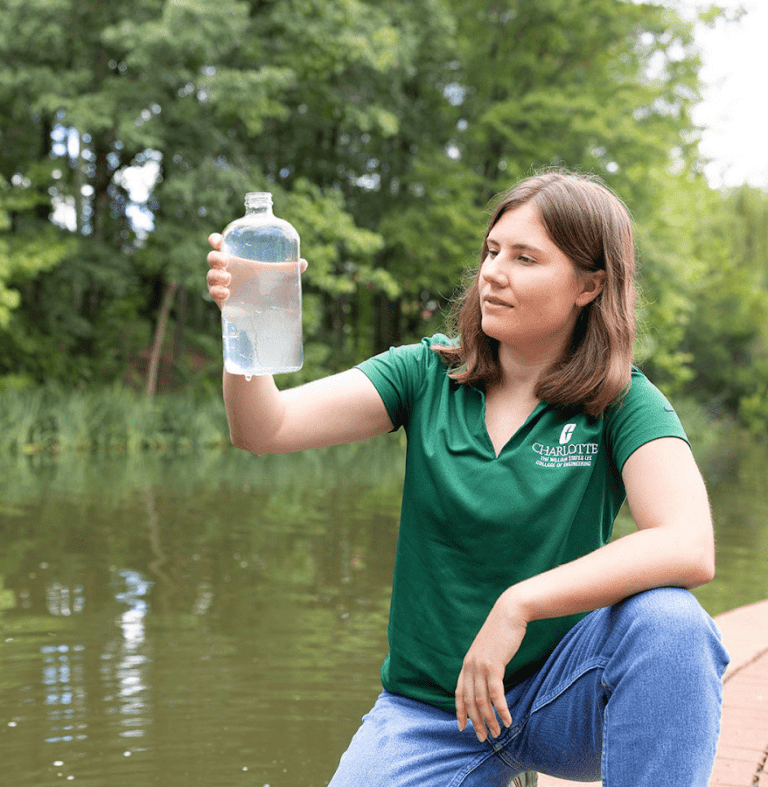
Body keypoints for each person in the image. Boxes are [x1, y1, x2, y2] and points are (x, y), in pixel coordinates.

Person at [205, 170, 729, 786]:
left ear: (589, 284)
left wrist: (519, 605)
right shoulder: (426, 373)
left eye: (526, 258)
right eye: (492, 251)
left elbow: (689, 544)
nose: (493, 273)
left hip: (563, 693)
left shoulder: (622, 400)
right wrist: (244, 324)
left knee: (672, 625)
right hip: (432, 712)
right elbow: (264, 429)